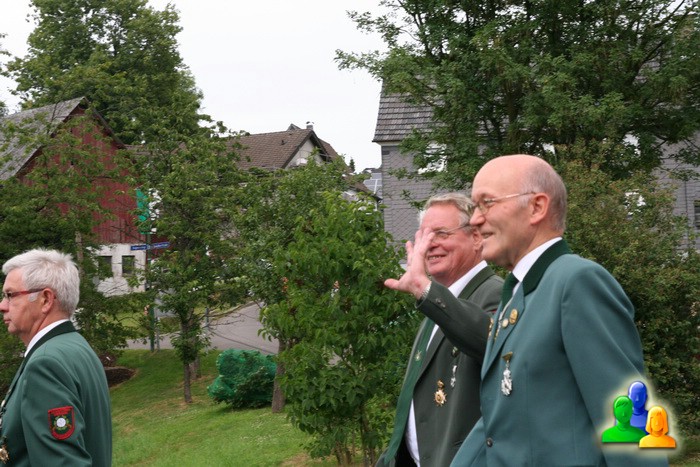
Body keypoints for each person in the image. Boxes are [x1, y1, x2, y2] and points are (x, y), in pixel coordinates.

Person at [450, 155, 666, 466]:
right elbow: (497, 425)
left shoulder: (576, 282)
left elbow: (628, 419)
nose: (475, 219)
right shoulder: (519, 294)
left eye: (487, 203)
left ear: (536, 207)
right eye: (474, 207)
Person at [378, 193, 503, 467]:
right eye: (423, 236)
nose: (429, 244)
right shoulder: (437, 302)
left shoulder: (496, 293)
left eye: (441, 233)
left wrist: (424, 289)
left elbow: (493, 343)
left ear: (476, 238)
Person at [0, 249, 112, 466]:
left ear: (45, 299)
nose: (2, 306)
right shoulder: (75, 347)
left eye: (10, 295)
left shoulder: (45, 364)